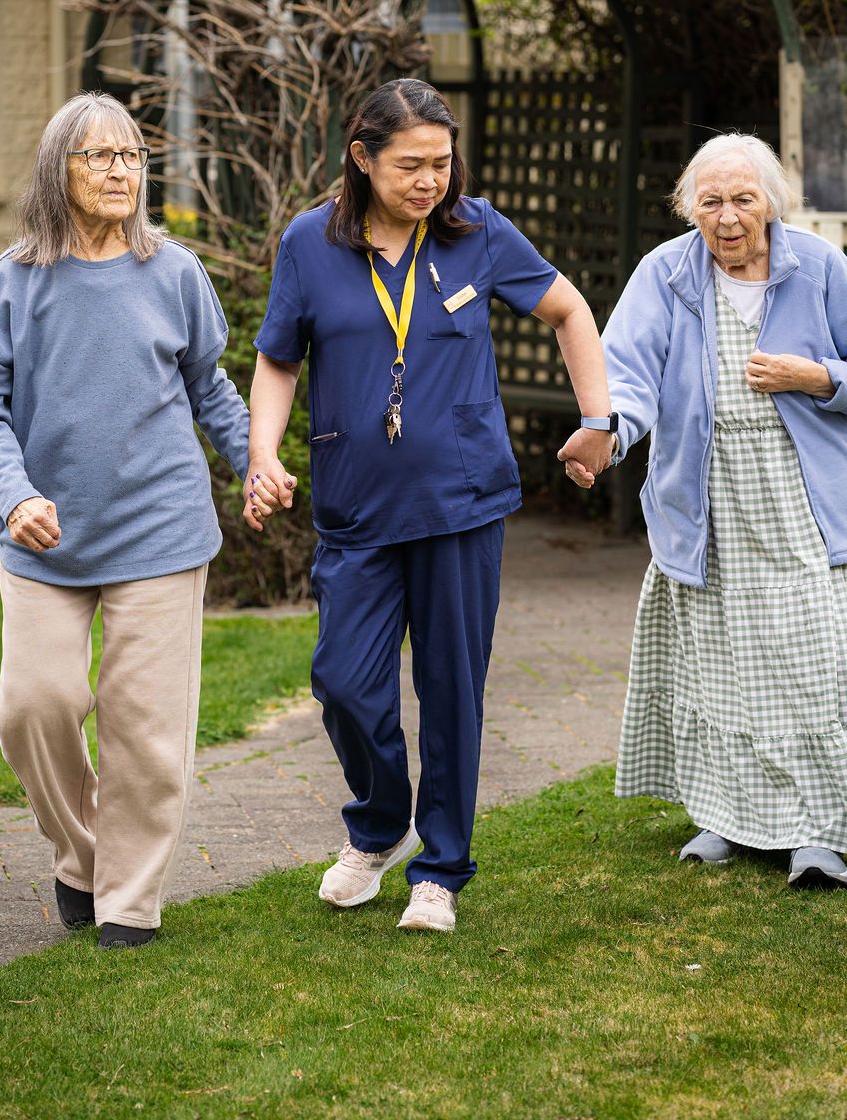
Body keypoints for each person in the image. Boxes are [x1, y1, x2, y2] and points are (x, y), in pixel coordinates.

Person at [246, 78, 614, 932]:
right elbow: (277, 360)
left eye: (442, 164)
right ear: (362, 158)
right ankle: (378, 827)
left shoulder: (477, 232)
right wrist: (262, 454)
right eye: (410, 165)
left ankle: (440, 870)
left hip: (460, 503)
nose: (429, 182)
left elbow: (568, 309)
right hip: (357, 507)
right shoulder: (309, 243)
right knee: (343, 681)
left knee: (452, 691)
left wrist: (598, 421)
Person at [0, 92, 289, 949]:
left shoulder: (172, 272)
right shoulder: (16, 279)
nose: (118, 171)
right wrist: (15, 493)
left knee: (146, 729)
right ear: (56, 170)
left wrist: (252, 460)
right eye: (97, 156)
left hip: (160, 530)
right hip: (44, 534)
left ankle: (128, 901)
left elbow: (208, 384)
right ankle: (81, 854)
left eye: (132, 156)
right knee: (34, 705)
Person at [591, 133, 847, 886]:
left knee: (811, 667)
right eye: (711, 202)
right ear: (689, 209)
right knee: (718, 669)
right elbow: (626, 377)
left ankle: (817, 831)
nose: (728, 217)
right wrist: (605, 439)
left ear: (771, 201)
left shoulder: (822, 267)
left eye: (743, 199)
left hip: (802, 501)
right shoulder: (665, 274)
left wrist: (818, 376)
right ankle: (724, 819)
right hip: (703, 504)